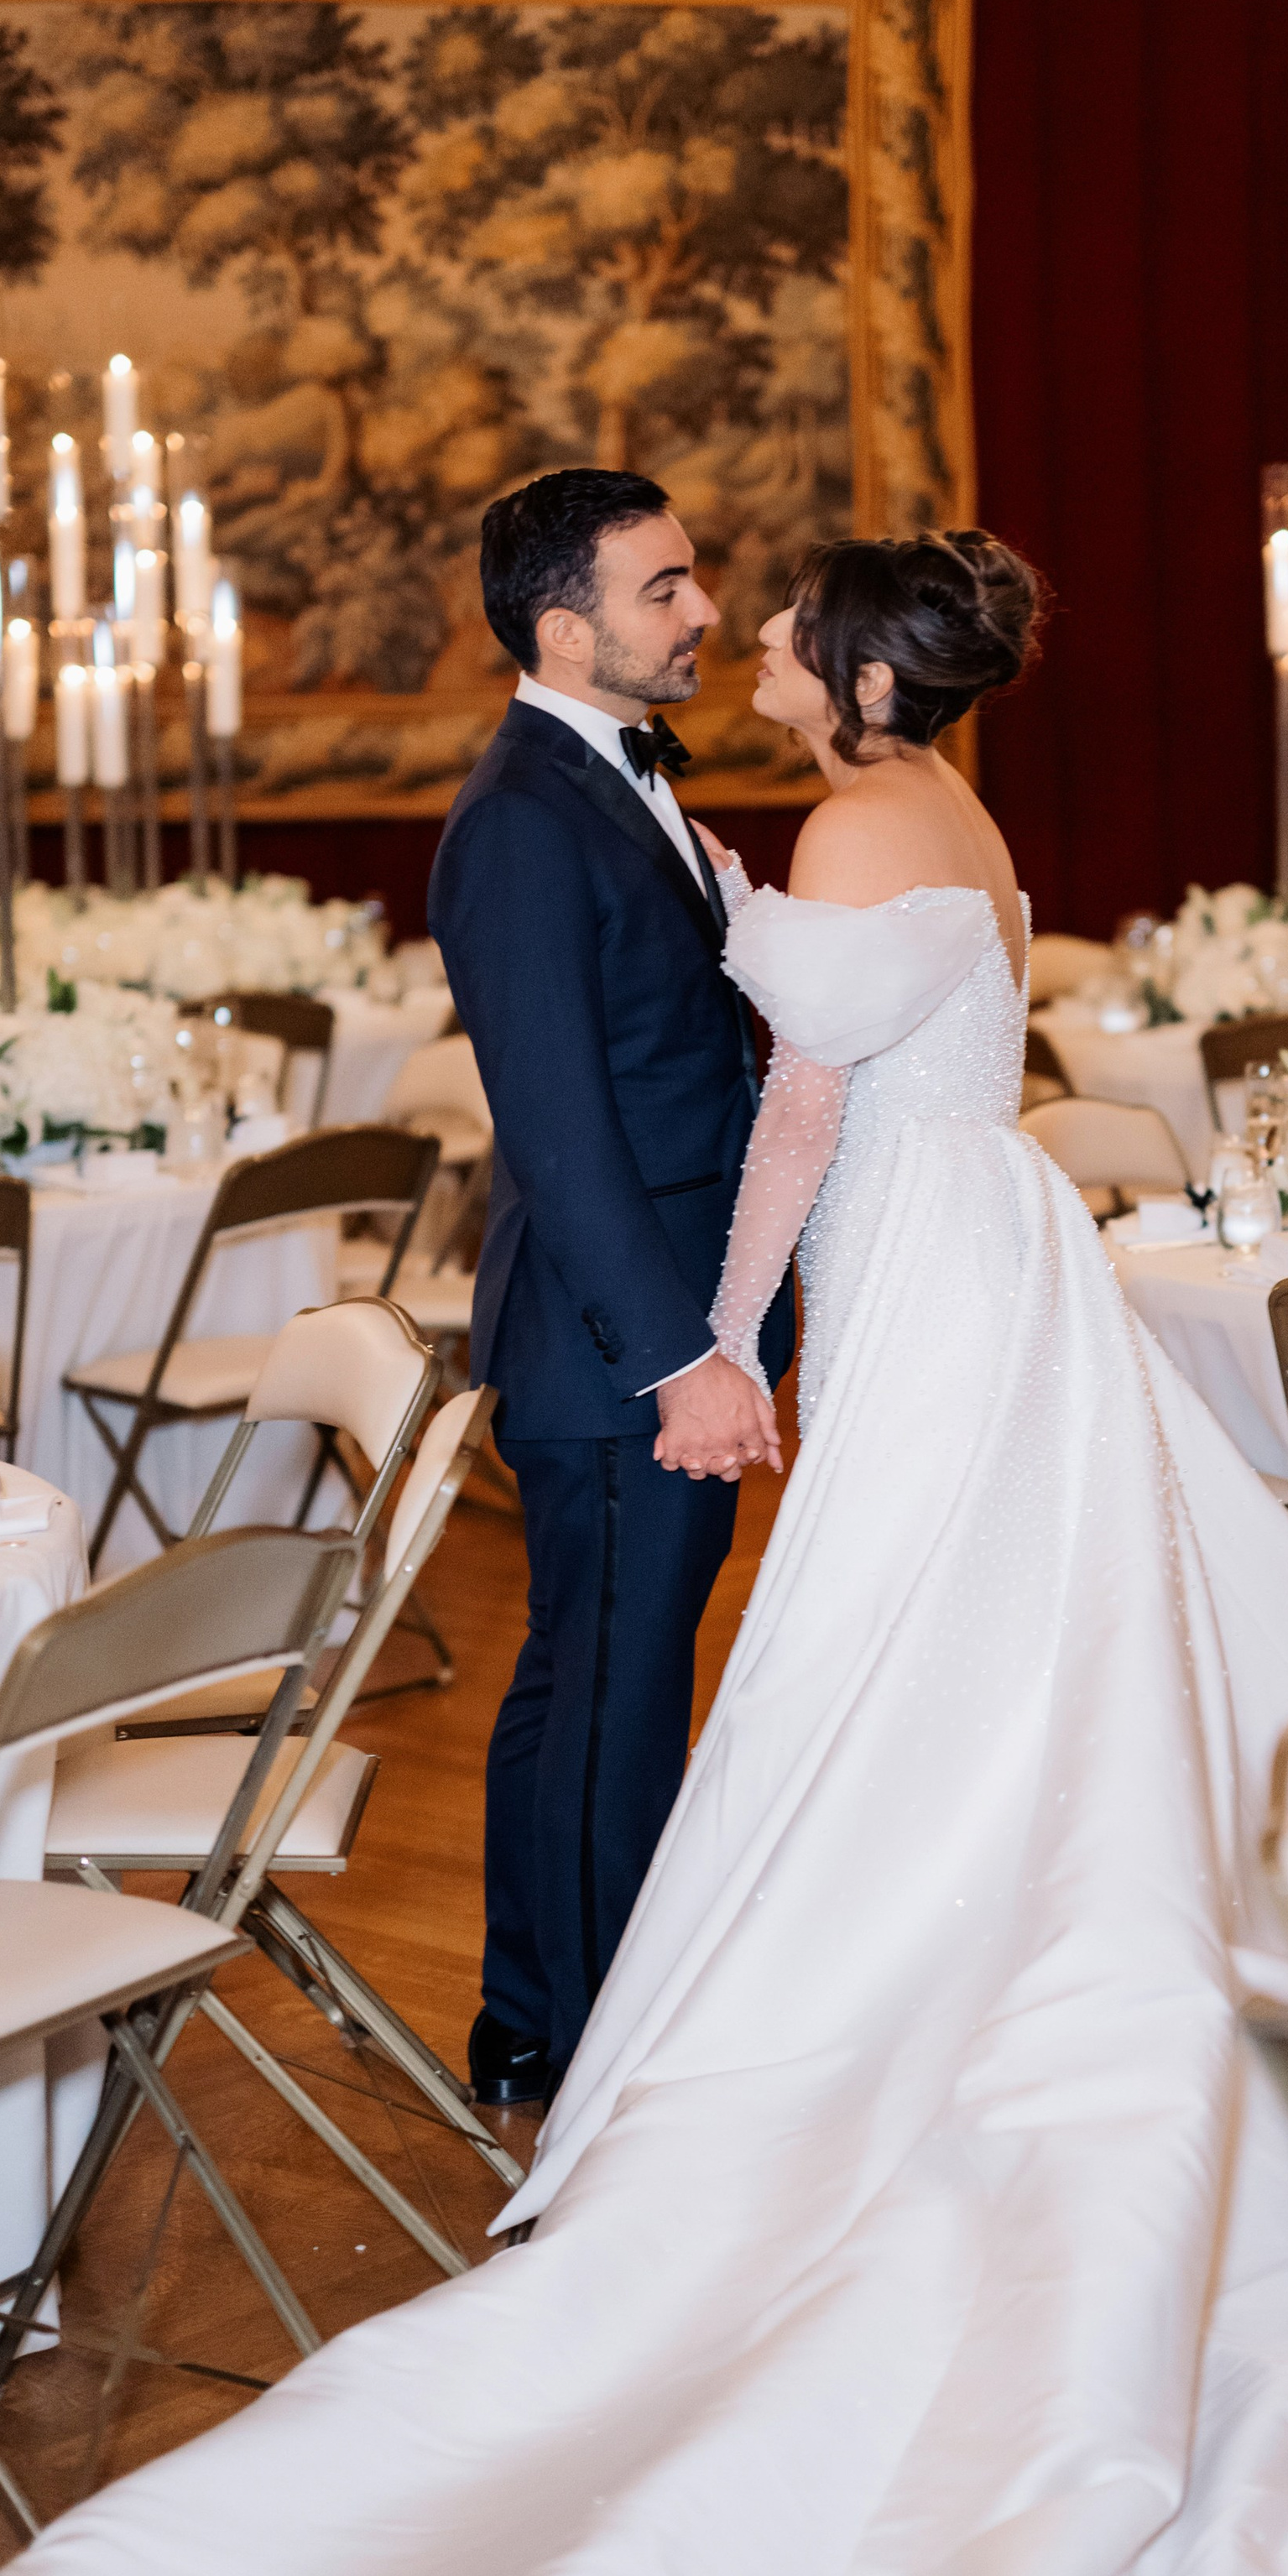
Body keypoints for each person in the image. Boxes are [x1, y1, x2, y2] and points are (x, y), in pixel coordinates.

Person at [0, 530, 1288, 2576]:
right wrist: (722, 1341)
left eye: (775, 615)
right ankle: (867, 1964)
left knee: (883, 1659)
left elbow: (788, 1117)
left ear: (860, 668)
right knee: (961, 1651)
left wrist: (736, 1335)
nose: (744, 632)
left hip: (891, 1256)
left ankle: (830, 2003)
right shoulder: (925, 825)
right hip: (974, 1249)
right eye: (700, 592)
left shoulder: (836, 829)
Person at [428, 469, 797, 2110]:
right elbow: (558, 1130)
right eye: (665, 587)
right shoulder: (519, 818)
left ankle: (530, 2010)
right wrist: (679, 1358)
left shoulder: (605, 785)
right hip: (618, 1346)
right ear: (565, 628)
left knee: (576, 1678)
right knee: (615, 1694)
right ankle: (596, 2056)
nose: (700, 610)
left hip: (639, 1326)